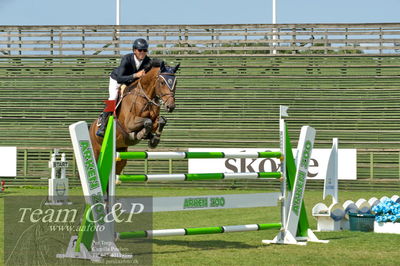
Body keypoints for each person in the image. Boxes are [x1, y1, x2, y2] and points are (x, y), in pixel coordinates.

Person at [96, 38, 151, 137]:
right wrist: (135, 75)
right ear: (134, 50)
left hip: (131, 82)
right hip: (117, 79)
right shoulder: (127, 58)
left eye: (145, 50)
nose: (142, 52)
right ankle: (102, 125)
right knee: (113, 98)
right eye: (140, 50)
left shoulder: (147, 61)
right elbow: (120, 78)